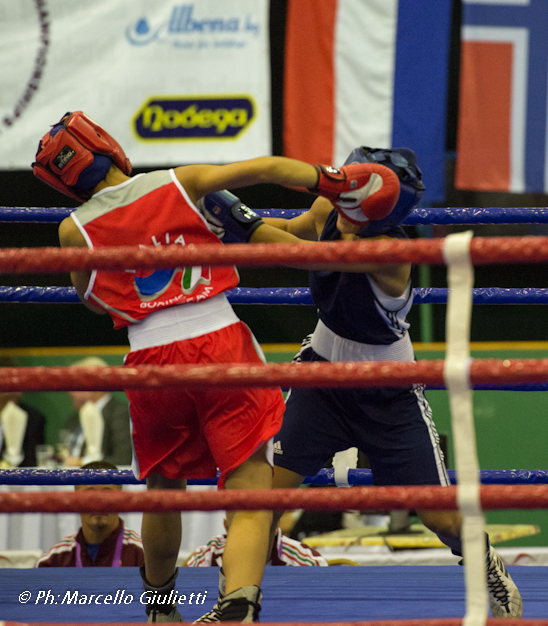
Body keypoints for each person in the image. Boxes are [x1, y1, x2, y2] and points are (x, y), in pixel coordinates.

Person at [31, 111, 400, 623]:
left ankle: (160, 610)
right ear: (106, 146)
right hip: (218, 343)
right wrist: (330, 181)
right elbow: (266, 167)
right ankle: (239, 605)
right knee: (250, 480)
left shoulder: (72, 232)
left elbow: (94, 301)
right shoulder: (180, 183)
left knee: (163, 493)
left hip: (149, 359)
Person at [202, 146, 523, 619]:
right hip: (322, 378)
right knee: (260, 498)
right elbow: (290, 233)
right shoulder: (326, 209)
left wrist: (239, 218)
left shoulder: (391, 253)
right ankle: (237, 604)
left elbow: (301, 255)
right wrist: (231, 225)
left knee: (437, 515)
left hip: (388, 392)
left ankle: (484, 562)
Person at [36, 460, 145, 568]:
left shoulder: (142, 555)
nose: (98, 502)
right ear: (76, 500)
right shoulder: (54, 559)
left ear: (121, 499)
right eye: (89, 494)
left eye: (107, 493)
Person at [61, 356, 133, 467]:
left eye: (74, 385)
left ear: (94, 385)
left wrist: (81, 463)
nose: (70, 393)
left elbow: (123, 459)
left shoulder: (119, 413)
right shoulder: (75, 418)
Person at [185, 515, 327, 568]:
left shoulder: (308, 562)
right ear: (227, 527)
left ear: (276, 524)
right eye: (240, 525)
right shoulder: (208, 555)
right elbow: (187, 602)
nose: (249, 532)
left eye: (257, 523)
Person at [0, 357, 47, 469]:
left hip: (18, 482)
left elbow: (31, 463)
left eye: (14, 381)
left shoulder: (33, 419)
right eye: (4, 381)